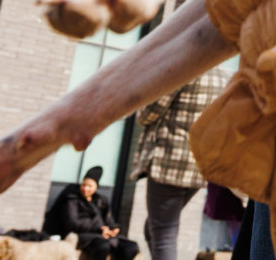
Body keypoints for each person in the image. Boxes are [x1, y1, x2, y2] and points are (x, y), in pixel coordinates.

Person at [129, 66, 228, 260]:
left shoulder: (184, 70)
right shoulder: (222, 77)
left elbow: (147, 114)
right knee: (153, 229)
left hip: (169, 163)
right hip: (198, 166)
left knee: (163, 233)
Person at [44, 166, 141, 260]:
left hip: (106, 236)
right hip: (86, 236)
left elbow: (109, 220)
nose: (86, 188)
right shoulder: (72, 200)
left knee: (130, 248)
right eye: (84, 185)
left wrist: (114, 229)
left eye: (90, 186)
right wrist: (99, 229)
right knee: (103, 247)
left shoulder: (101, 201)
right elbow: (72, 223)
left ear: (96, 187)